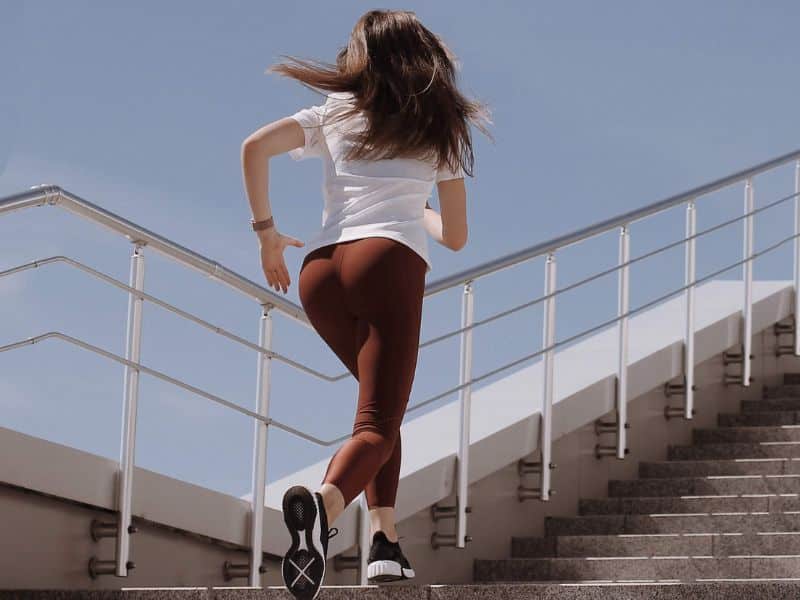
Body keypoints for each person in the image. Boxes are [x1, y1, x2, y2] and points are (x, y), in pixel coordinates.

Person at [240, 9, 492, 599]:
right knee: (377, 421)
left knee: (379, 409)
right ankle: (323, 512)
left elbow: (254, 148)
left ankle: (384, 542)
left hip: (321, 271)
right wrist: (417, 208)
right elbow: (455, 236)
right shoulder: (441, 125)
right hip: (387, 264)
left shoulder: (334, 111)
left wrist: (267, 234)